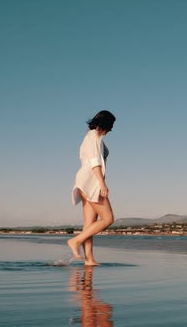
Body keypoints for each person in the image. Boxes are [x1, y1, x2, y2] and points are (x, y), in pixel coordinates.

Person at [68, 110, 116, 265]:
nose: (111, 129)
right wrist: (102, 183)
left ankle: (89, 259)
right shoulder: (94, 137)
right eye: (111, 125)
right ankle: (75, 241)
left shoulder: (91, 137)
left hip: (85, 181)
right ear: (105, 124)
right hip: (91, 182)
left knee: (89, 224)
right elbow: (95, 162)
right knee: (108, 219)